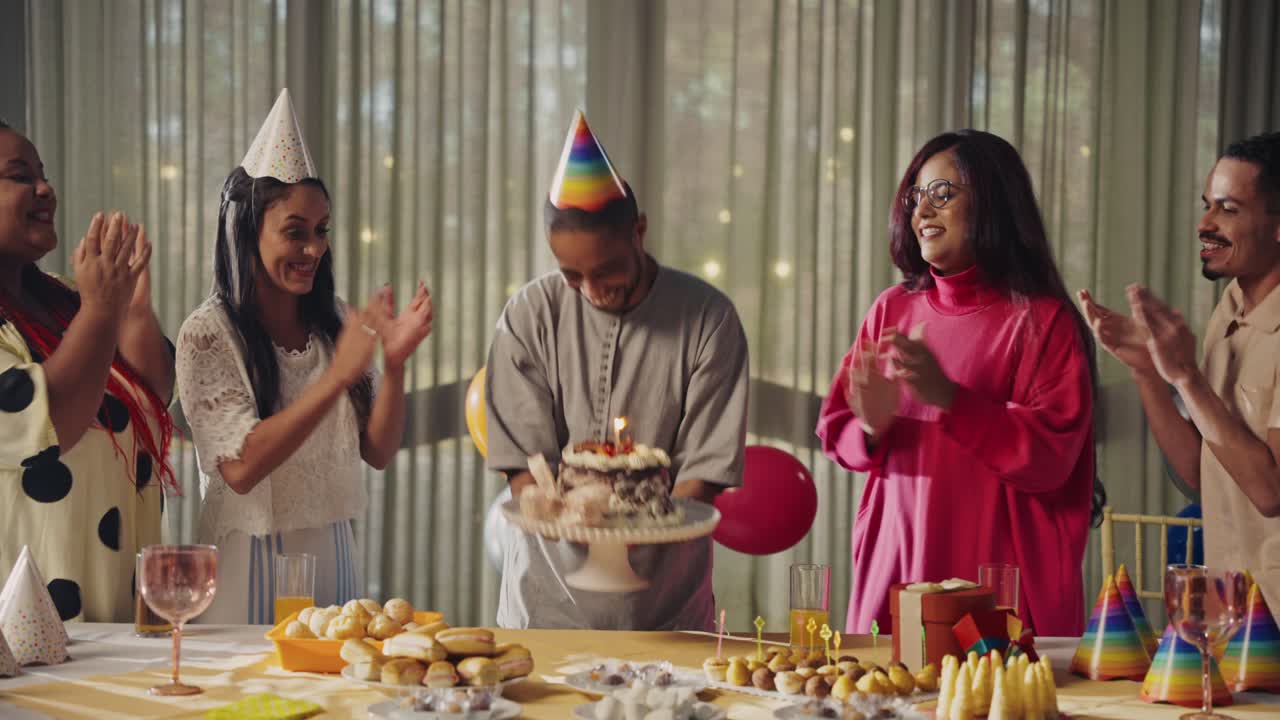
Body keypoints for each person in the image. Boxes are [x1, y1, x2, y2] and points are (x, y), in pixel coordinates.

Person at [816, 129, 1102, 637]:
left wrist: (950, 400)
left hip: (995, 581)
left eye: (942, 194)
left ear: (993, 203)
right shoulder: (891, 309)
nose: (922, 211)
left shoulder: (1043, 322)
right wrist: (871, 426)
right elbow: (837, 431)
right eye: (915, 197)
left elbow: (1051, 458)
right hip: (895, 565)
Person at [484, 110, 749, 630]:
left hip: (666, 611)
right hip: (544, 606)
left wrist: (638, 528)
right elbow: (524, 468)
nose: (591, 289)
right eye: (571, 274)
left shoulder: (708, 319)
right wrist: (570, 517)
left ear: (640, 231)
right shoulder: (528, 316)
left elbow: (702, 474)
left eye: (607, 270)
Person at [176, 90, 433, 624]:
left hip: (332, 560)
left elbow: (378, 451)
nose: (313, 249)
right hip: (246, 564)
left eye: (321, 232)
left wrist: (396, 363)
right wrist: (336, 378)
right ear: (248, 234)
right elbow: (242, 469)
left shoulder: (335, 320)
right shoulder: (207, 333)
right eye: (295, 232)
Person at [1079, 130, 1280, 614]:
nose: (1204, 223)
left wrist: (1187, 377)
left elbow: (1271, 491)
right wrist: (1149, 371)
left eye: (1229, 209)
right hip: (1228, 609)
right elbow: (1198, 471)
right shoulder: (1229, 308)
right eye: (1207, 204)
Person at [0, 118, 176, 622]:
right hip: (31, 634)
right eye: (20, 176)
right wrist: (102, 313)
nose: (45, 189)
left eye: (43, 174)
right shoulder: (87, 307)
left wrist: (134, 309)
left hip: (116, 615)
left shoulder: (64, 299)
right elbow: (46, 420)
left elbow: (152, 393)